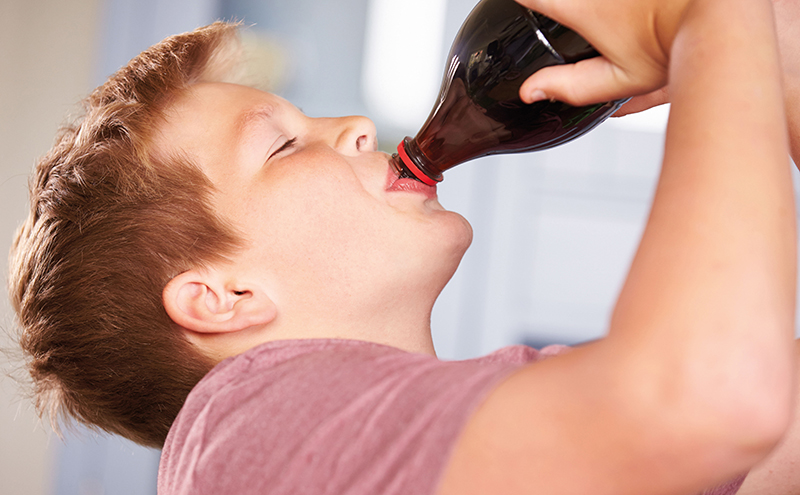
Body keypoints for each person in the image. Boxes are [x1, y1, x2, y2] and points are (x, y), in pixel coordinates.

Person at [8, 0, 800, 494]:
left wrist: (779, 61)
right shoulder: (238, 436)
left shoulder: (537, 422)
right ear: (223, 296)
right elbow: (719, 393)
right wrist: (713, 25)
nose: (355, 125)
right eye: (283, 146)